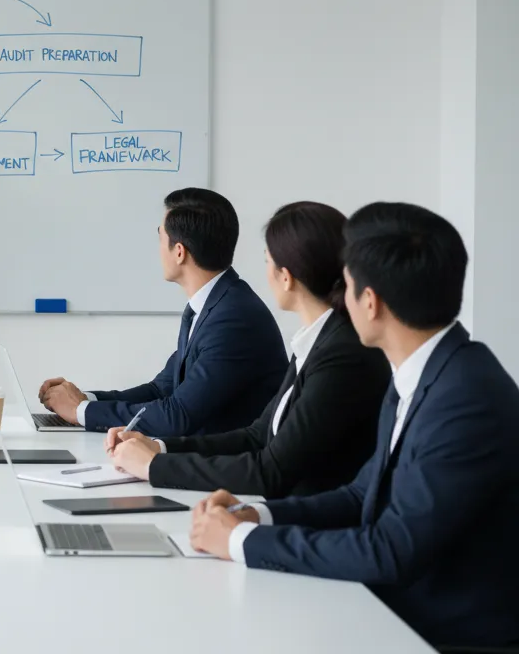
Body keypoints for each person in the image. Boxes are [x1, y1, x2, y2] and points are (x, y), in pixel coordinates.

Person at [190, 203, 519, 649]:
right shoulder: (425, 371)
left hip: (439, 635)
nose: (338, 299)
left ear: (370, 302)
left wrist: (242, 541)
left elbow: (390, 550)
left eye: (345, 285)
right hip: (392, 612)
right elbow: (361, 494)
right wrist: (257, 515)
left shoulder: (465, 399)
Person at [105, 202, 390, 497]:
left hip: (310, 522)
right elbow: (258, 436)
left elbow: (271, 471)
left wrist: (154, 466)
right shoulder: (317, 339)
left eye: (267, 261)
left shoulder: (341, 354)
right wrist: (161, 447)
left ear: (286, 276)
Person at [38, 188, 287, 436]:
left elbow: (177, 416)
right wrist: (84, 401)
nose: (158, 248)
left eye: (160, 236)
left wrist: (81, 411)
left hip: (230, 467)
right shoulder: (211, 306)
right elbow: (160, 390)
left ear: (179, 252)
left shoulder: (233, 318)